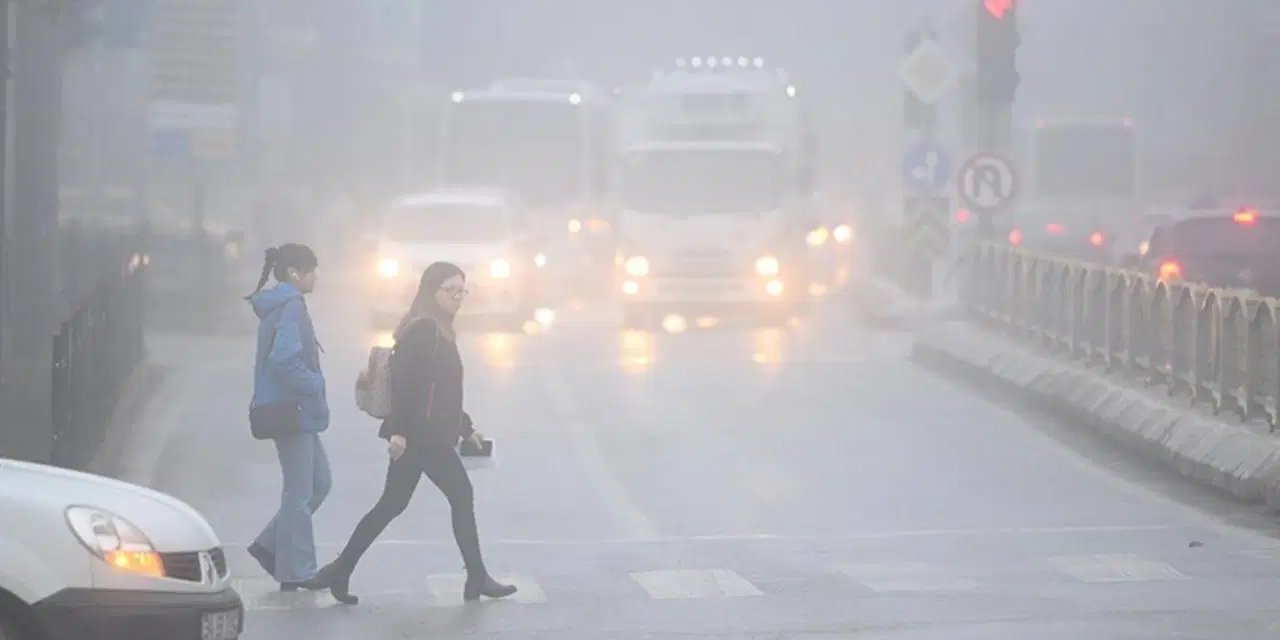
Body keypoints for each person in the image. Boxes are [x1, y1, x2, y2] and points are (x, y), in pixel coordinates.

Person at [314, 262, 516, 605]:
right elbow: (408, 385)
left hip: (427, 433)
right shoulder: (424, 329)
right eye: (450, 290)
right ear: (431, 291)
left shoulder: (438, 327)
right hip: (423, 436)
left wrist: (465, 427)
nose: (458, 298)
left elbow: (442, 389)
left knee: (392, 504)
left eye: (462, 291)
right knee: (459, 495)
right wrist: (400, 432)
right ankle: (477, 577)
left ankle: (340, 570)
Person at [245, 244, 332, 591]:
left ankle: (270, 546)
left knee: (319, 484)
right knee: (300, 491)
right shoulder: (291, 306)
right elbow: (284, 360)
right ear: (295, 273)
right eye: (312, 271)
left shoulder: (282, 304)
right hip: (291, 411)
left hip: (295, 411)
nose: (317, 277)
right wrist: (315, 383)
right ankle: (299, 571)